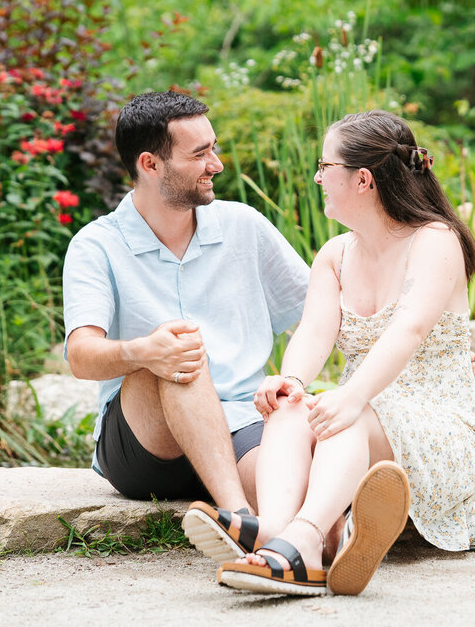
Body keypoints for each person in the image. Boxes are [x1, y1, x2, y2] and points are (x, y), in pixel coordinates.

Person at [183, 109, 475, 597]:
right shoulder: (335, 254)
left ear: (363, 180)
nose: (317, 177)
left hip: (439, 427)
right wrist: (290, 381)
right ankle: (277, 534)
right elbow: (314, 331)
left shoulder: (436, 241)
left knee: (342, 415)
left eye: (324, 166)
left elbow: (410, 329)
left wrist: (352, 395)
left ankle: (307, 540)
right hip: (363, 419)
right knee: (291, 409)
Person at [62, 91, 309, 516]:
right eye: (200, 154)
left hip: (241, 425)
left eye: (212, 148)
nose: (217, 164)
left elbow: (317, 316)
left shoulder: (244, 226)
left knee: (292, 501)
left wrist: (296, 379)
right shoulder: (96, 245)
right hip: (147, 445)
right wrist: (143, 351)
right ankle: (237, 520)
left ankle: (313, 550)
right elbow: (81, 356)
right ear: (150, 164)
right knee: (180, 349)